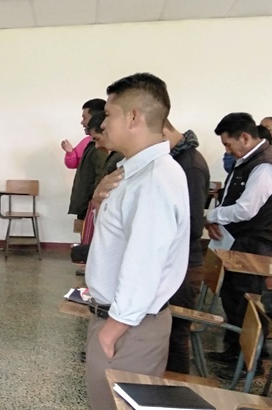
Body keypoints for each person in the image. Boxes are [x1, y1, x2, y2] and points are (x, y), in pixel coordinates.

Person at [85, 73, 189, 410]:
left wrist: (111, 332)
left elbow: (144, 265)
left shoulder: (154, 179)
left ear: (133, 117)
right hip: (123, 320)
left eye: (109, 114)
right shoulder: (135, 171)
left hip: (129, 327)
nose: (104, 123)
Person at [205, 113, 272, 372]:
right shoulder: (248, 160)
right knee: (232, 297)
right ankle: (233, 354)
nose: (227, 151)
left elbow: (246, 209)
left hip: (253, 244)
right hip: (237, 241)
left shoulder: (266, 165)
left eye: (228, 144)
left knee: (246, 302)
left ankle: (251, 361)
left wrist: (212, 215)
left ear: (244, 137)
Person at [222, 116, 272, 200]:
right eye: (260, 126)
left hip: (271, 198)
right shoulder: (248, 146)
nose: (262, 130)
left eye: (267, 128)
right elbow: (230, 166)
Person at [62, 99, 107, 169]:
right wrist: (70, 152)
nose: (82, 122)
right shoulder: (86, 141)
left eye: (84, 118)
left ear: (96, 118)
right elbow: (73, 164)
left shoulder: (107, 146)